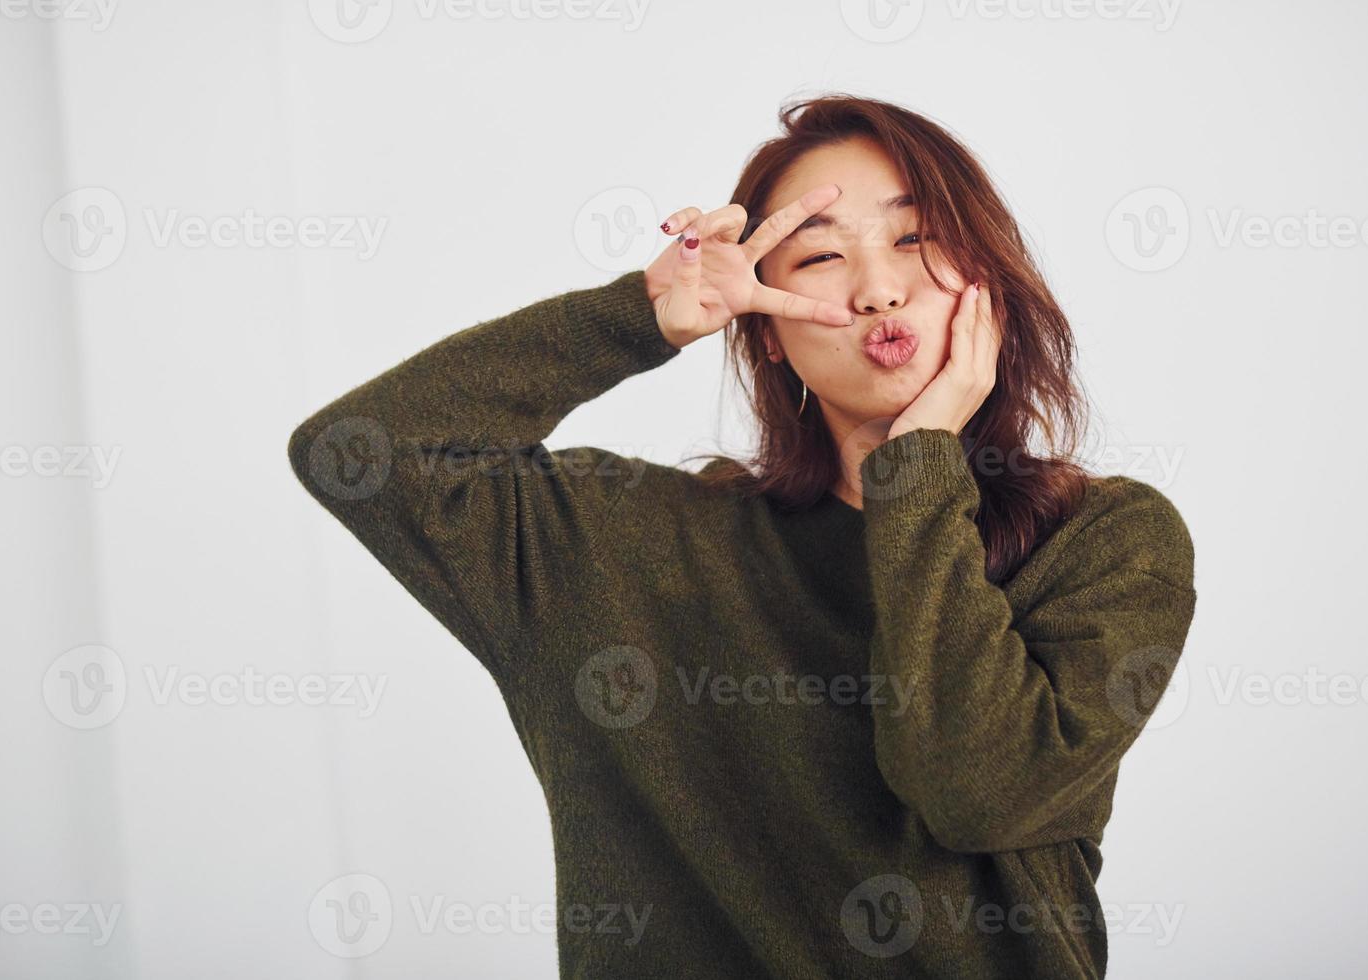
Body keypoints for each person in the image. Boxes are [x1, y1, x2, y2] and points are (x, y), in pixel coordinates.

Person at [287, 94, 1197, 978]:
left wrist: (919, 463)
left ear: (987, 283)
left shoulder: (1103, 540)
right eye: (819, 258)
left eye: (915, 237)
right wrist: (637, 316)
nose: (880, 287)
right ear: (765, 331)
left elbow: (976, 792)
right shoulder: (625, 548)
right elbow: (358, 454)